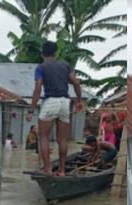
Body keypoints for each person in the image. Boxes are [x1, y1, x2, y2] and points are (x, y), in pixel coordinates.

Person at [26, 41, 83, 176]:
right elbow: (76, 82)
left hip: (50, 101)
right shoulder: (65, 65)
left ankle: (48, 169)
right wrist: (80, 100)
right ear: (55, 53)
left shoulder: (41, 67)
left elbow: (38, 88)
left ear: (42, 54)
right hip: (64, 102)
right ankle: (62, 171)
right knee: (62, 139)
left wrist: (31, 110)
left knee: (43, 137)